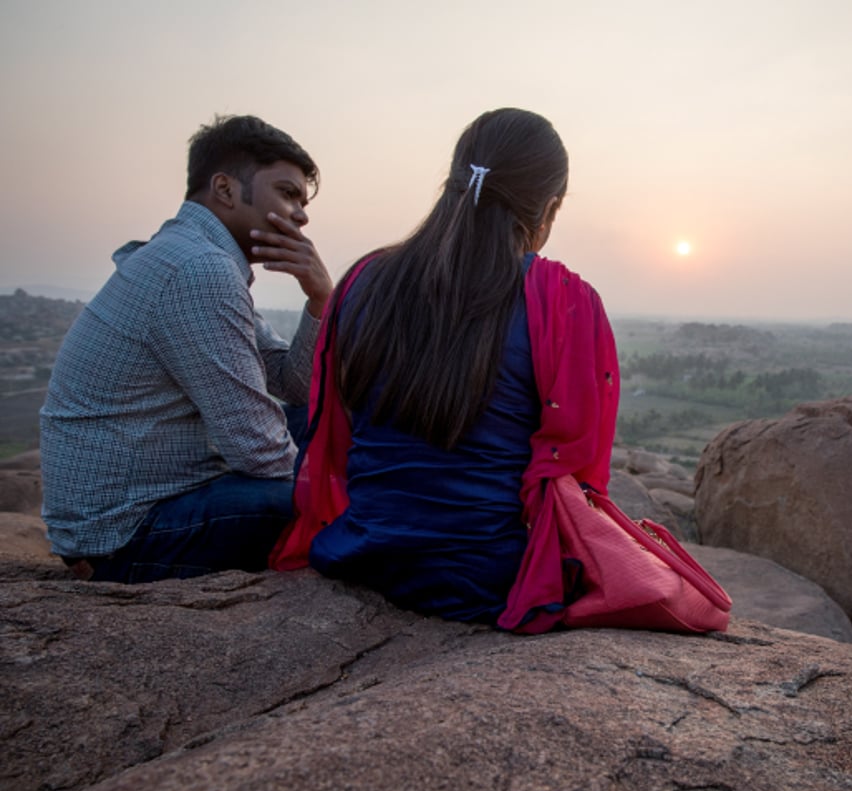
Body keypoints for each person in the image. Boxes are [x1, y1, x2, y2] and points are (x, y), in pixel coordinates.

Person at [276, 108, 620, 629]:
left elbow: (337, 430)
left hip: (362, 557)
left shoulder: (364, 280)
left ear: (452, 183)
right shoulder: (563, 300)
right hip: (486, 583)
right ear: (548, 209)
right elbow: (575, 465)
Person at [40, 114, 332, 583]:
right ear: (225, 188)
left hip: (158, 500)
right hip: (128, 532)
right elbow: (256, 450)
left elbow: (294, 385)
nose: (301, 214)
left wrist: (319, 299)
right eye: (287, 193)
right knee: (347, 499)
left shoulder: (196, 255)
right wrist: (331, 484)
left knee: (332, 427)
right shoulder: (198, 269)